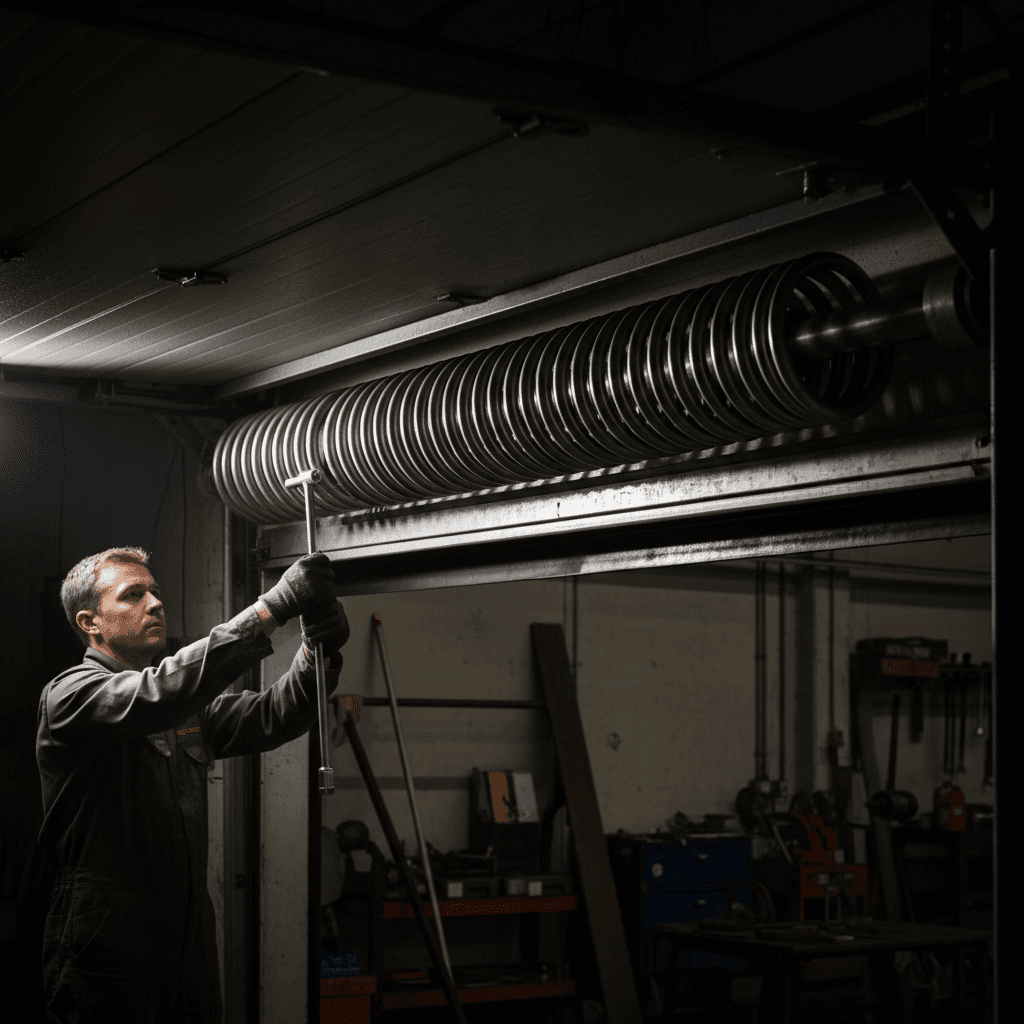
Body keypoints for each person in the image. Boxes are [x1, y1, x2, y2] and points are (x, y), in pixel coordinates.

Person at [35, 545, 349, 1024]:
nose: (155, 603)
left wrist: (316, 653)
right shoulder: (70, 696)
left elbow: (274, 714)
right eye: (133, 595)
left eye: (155, 592)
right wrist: (271, 608)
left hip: (188, 940)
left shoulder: (183, 712)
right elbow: (160, 693)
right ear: (89, 622)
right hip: (107, 945)